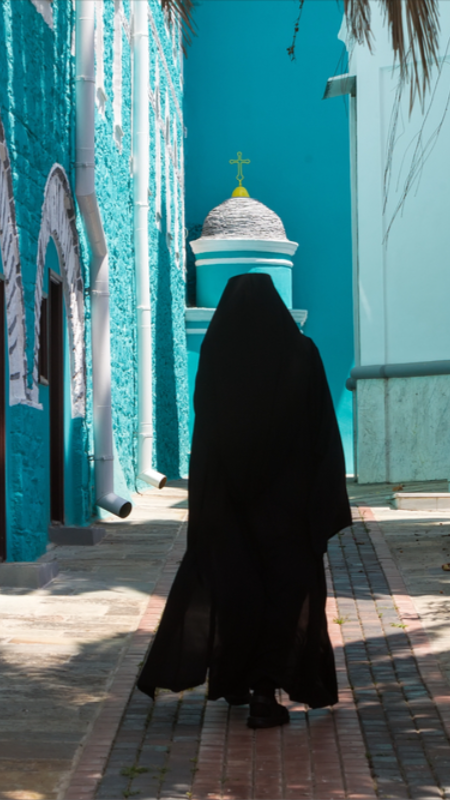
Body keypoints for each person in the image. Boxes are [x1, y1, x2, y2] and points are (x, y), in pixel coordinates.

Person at [136, 273, 351, 728]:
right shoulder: (302, 354)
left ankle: (237, 680)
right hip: (288, 512)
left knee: (237, 594)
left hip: (230, 507)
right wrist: (322, 502)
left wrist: (207, 503)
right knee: (282, 596)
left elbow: (206, 430)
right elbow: (322, 433)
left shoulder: (217, 355)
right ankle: (262, 691)